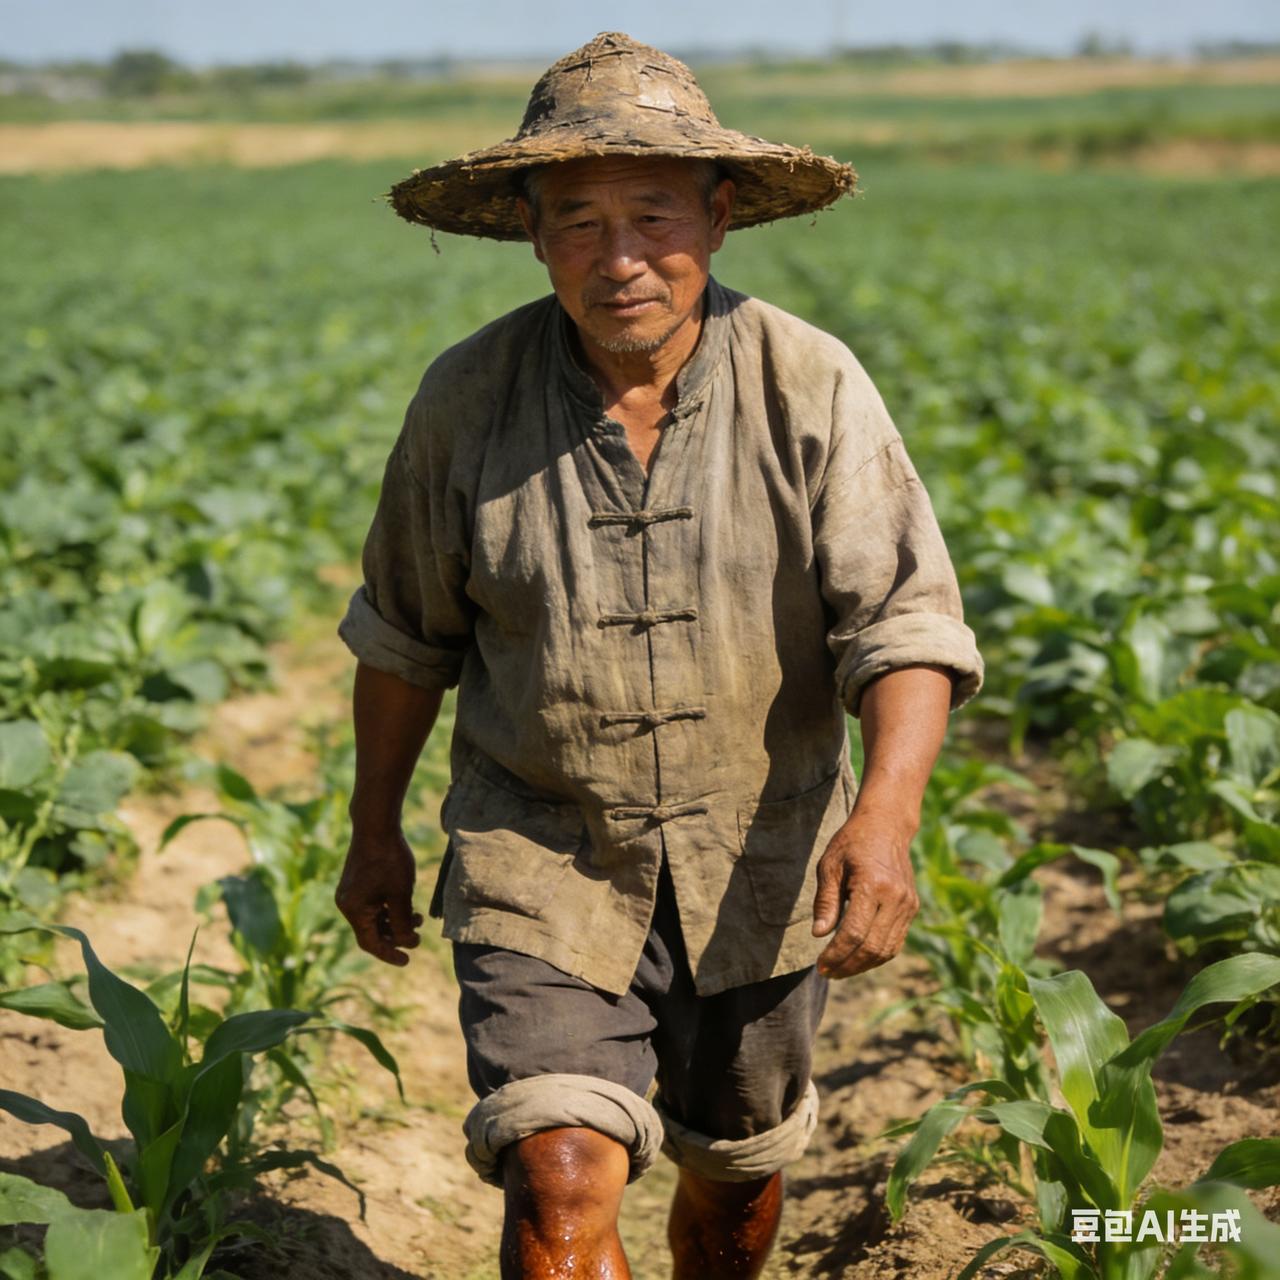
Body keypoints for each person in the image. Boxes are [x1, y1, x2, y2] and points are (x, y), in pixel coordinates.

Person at [334, 31, 982, 1280]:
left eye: (652, 213)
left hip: (762, 857)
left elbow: (901, 622)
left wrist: (886, 819)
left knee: (732, 1195)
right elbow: (407, 636)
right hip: (543, 856)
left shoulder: (808, 382)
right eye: (577, 219)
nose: (618, 256)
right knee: (558, 1182)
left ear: (719, 215)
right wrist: (374, 826)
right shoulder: (465, 400)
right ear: (530, 233)